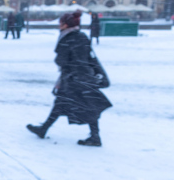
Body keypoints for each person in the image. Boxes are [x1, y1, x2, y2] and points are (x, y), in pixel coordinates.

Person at [26, 10, 112, 147]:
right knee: (86, 105)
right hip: (85, 77)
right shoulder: (82, 36)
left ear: (66, 25)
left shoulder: (67, 39)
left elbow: (61, 61)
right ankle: (93, 136)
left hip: (73, 79)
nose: (59, 24)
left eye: (61, 22)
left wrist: (65, 65)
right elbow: (88, 57)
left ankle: (45, 129)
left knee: (64, 104)